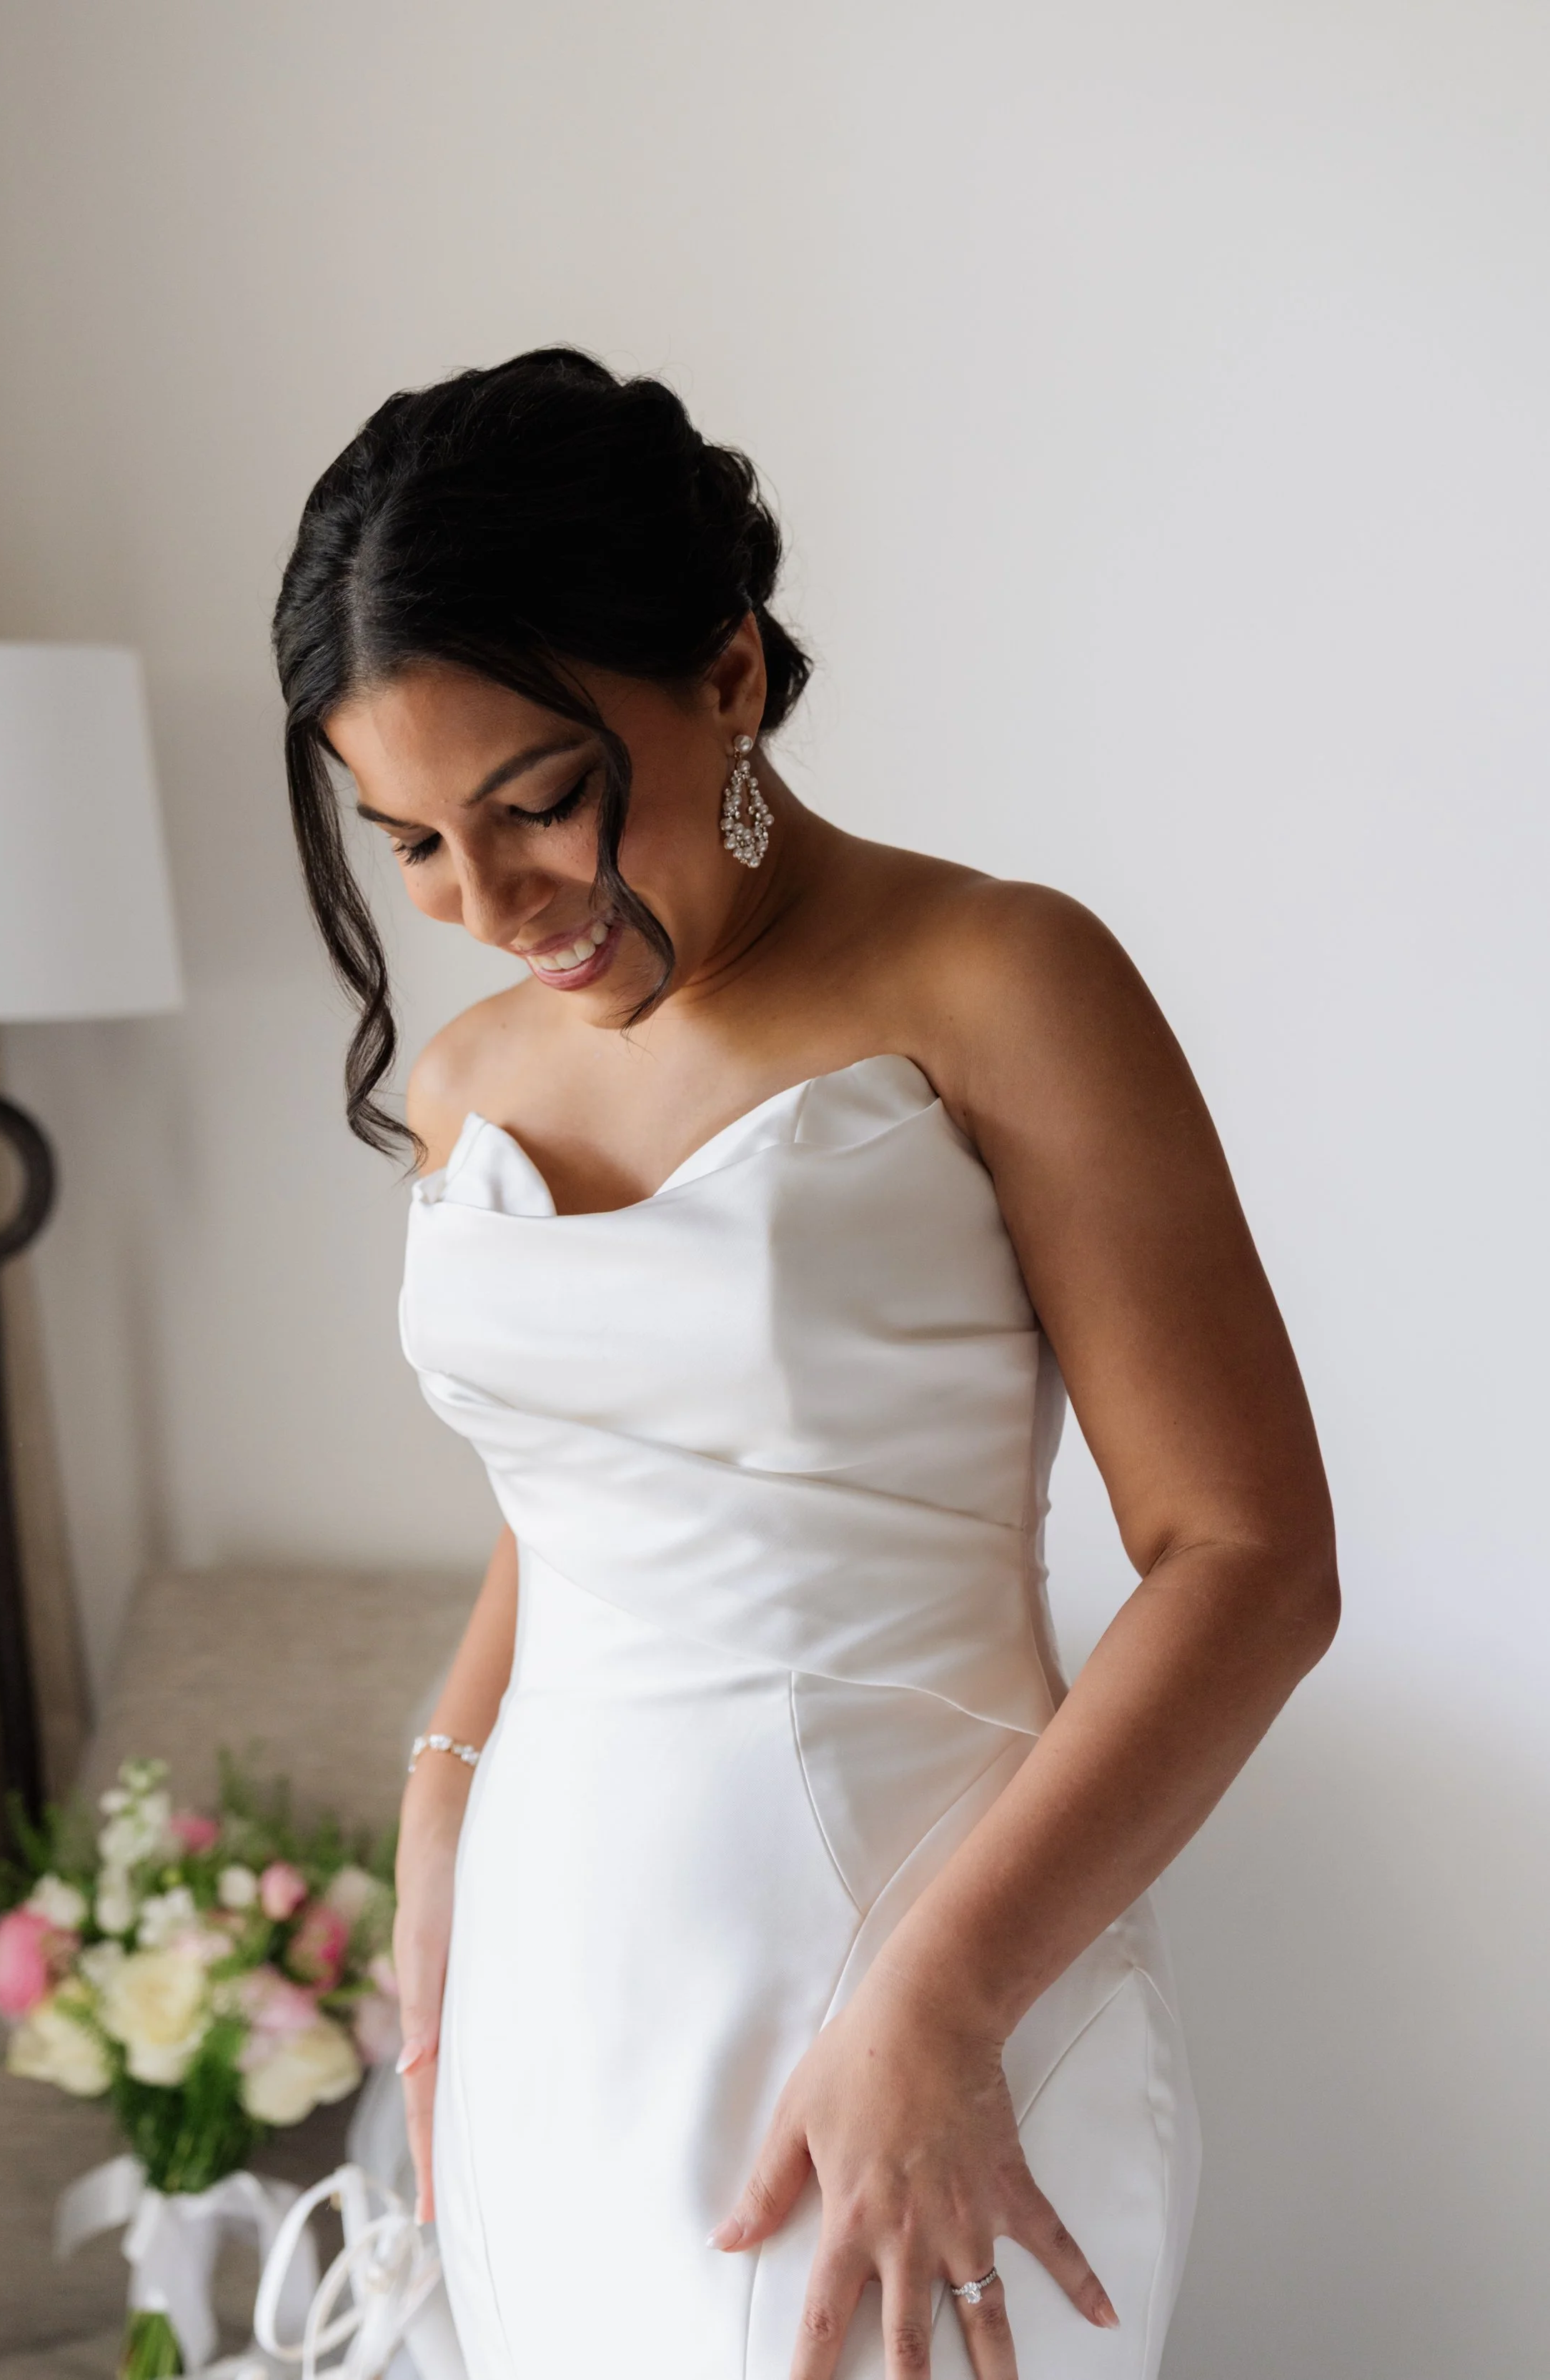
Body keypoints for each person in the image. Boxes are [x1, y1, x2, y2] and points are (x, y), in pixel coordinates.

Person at [272, 349, 1338, 2380]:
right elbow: (577, 1506)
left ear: (733, 674)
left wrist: (938, 2005)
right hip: (544, 1991)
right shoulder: (469, 1081)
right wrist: (435, 1828)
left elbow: (1248, 1558)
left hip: (902, 1984)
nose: (486, 909)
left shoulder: (999, 977)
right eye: (406, 840)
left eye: (539, 804)